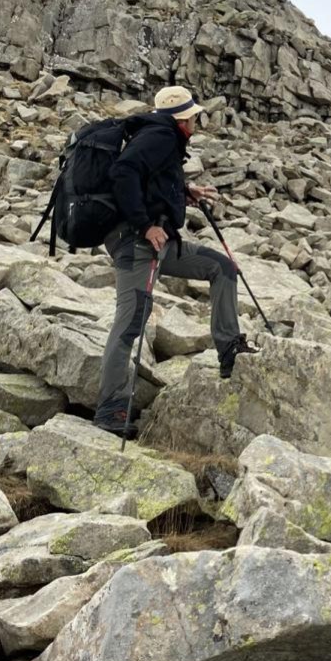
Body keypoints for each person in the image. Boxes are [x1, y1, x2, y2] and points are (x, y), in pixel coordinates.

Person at [92, 86, 257, 435]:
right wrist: (145, 225)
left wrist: (185, 191)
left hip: (160, 244)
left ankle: (229, 351)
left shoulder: (162, 137)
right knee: (130, 323)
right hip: (138, 245)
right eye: (194, 115)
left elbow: (149, 177)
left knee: (222, 267)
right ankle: (110, 411)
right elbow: (124, 173)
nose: (197, 119)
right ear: (183, 118)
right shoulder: (161, 137)